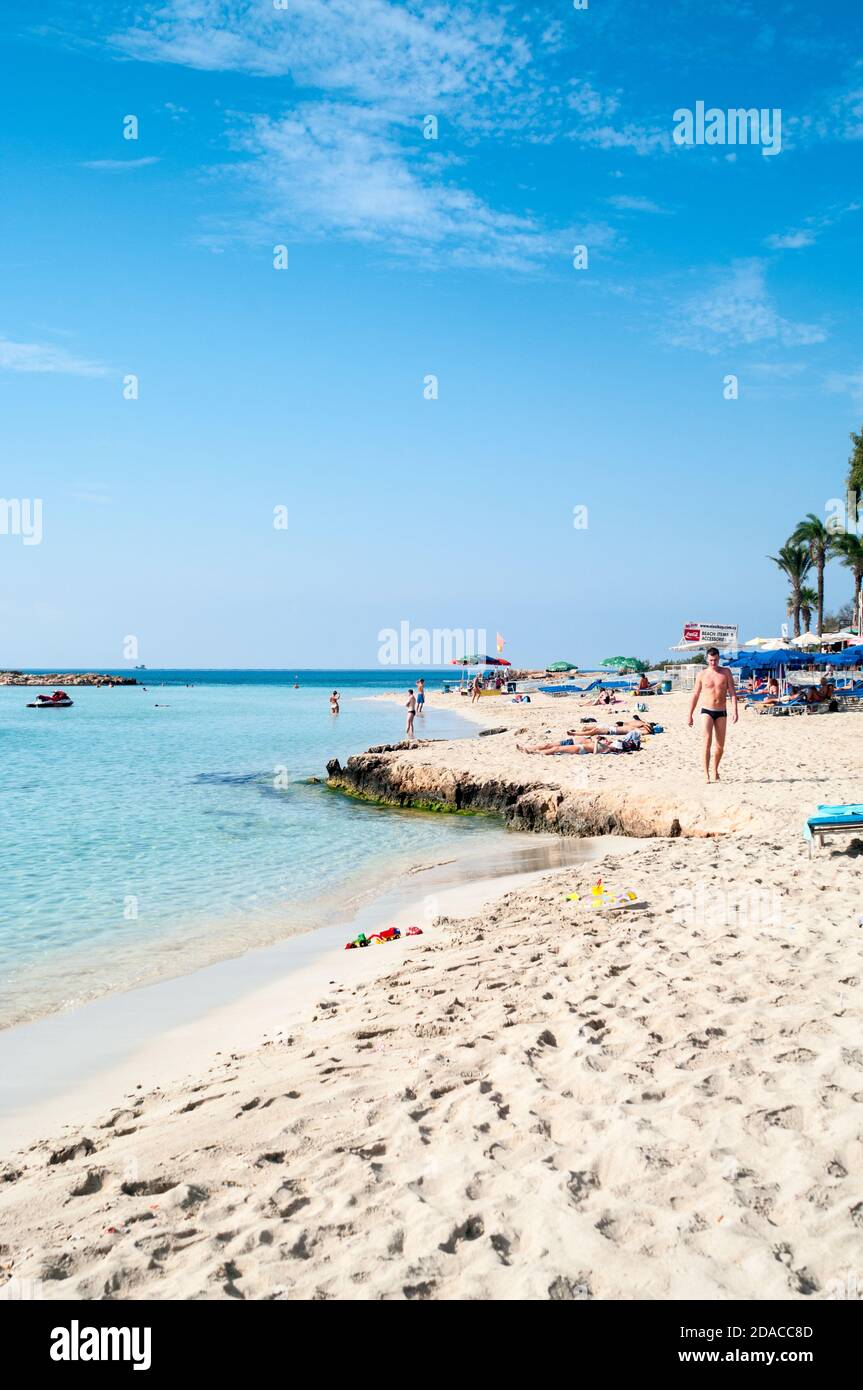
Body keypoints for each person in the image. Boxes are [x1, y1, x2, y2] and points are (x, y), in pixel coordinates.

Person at [687, 647, 737, 783]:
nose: (713, 663)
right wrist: (689, 714)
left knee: (720, 746)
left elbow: (732, 692)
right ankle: (706, 774)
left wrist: (735, 711)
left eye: (715, 660)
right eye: (710, 660)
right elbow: (695, 694)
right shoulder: (702, 674)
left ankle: (715, 769)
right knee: (707, 741)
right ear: (707, 659)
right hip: (707, 710)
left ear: (719, 658)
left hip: (721, 711)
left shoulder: (726, 672)